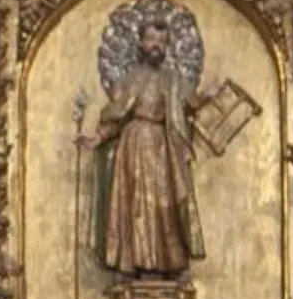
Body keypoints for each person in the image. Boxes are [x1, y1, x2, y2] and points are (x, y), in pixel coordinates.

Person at [78, 20, 215, 278]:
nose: (156, 46)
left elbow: (192, 103)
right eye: (151, 40)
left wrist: (211, 94)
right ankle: (132, 265)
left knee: (166, 205)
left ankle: (168, 264)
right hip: (133, 145)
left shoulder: (174, 80)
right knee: (133, 205)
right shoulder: (130, 79)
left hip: (163, 149)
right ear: (141, 43)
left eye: (161, 42)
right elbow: (117, 116)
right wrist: (98, 137)